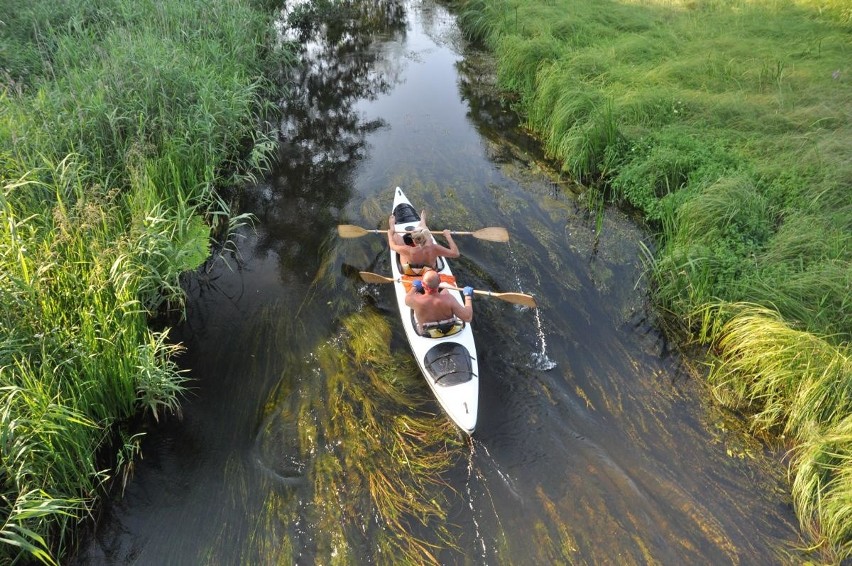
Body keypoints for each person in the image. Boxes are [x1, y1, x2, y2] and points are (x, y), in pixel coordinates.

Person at [387, 211, 460, 274]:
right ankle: (422, 222)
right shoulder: (434, 248)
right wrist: (448, 236)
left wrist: (390, 235)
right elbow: (456, 254)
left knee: (396, 237)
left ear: (413, 240)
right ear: (427, 237)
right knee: (424, 229)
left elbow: (392, 246)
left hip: (411, 272)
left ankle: (392, 227)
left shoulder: (409, 250)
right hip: (429, 272)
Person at [405, 270, 473, 335]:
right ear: (440, 282)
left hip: (428, 333)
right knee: (445, 291)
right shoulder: (449, 299)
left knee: (418, 294)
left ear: (422, 284)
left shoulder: (416, 299)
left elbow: (407, 299)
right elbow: (468, 318)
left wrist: (414, 287)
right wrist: (468, 297)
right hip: (450, 330)